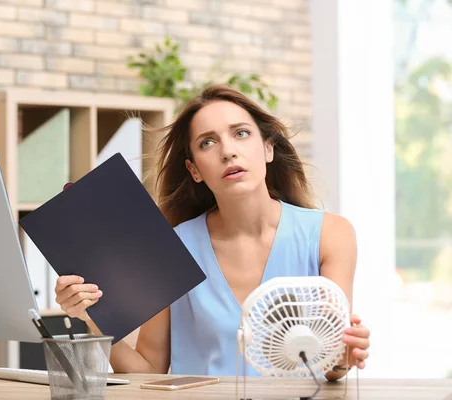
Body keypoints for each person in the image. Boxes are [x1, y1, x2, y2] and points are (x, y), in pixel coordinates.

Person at [54, 84, 370, 381]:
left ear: (268, 149)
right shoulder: (172, 248)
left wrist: (343, 356)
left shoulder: (330, 234)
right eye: (208, 142)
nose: (228, 151)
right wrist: (93, 321)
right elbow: (148, 371)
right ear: (194, 170)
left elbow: (332, 361)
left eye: (241, 134)